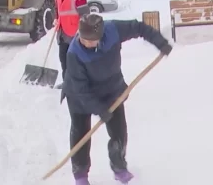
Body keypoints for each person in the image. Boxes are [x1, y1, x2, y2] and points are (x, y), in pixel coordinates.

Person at [60, 14, 173, 185]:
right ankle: (81, 175)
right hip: (79, 96)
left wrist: (160, 42)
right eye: (83, 39)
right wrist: (99, 109)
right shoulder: (75, 53)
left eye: (91, 40)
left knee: (119, 131)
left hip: (111, 91)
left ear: (101, 35)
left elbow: (139, 27)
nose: (86, 43)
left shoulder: (112, 30)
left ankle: (119, 167)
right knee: (81, 133)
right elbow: (81, 90)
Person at [53, 0, 89, 89]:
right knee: (63, 59)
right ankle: (67, 83)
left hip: (75, 33)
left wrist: (82, 30)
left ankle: (78, 84)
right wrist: (56, 19)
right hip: (62, 32)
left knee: (75, 61)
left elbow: (85, 15)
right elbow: (58, 10)